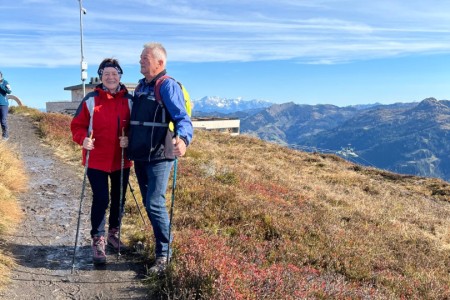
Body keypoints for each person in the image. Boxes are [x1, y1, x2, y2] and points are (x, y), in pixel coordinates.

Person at [127, 42, 193, 274]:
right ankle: (162, 244)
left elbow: (182, 118)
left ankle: (164, 255)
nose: (140, 61)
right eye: (141, 58)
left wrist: (183, 140)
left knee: (155, 202)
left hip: (159, 155)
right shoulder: (141, 87)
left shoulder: (167, 86)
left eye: (145, 58)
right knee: (149, 203)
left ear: (160, 62)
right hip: (140, 154)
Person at [70, 58, 132, 265]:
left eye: (114, 74)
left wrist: (129, 139)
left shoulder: (129, 100)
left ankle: (113, 233)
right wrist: (83, 139)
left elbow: (136, 128)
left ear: (120, 76)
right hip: (95, 159)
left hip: (122, 160)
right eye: (106, 74)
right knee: (102, 199)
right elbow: (76, 126)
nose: (111, 77)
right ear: (101, 77)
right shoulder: (90, 99)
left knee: (119, 200)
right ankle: (98, 239)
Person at [0, 71, 12, 140]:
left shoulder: (5, 82)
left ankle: (5, 135)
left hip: (3, 104)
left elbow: (9, 91)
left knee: (3, 121)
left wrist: (1, 85)